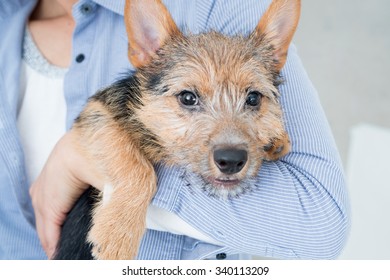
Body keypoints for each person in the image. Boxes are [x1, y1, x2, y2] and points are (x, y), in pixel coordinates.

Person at [0, 0, 349, 260]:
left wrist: (89, 163)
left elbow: (321, 225)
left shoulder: (214, 6)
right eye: (188, 98)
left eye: (252, 99)